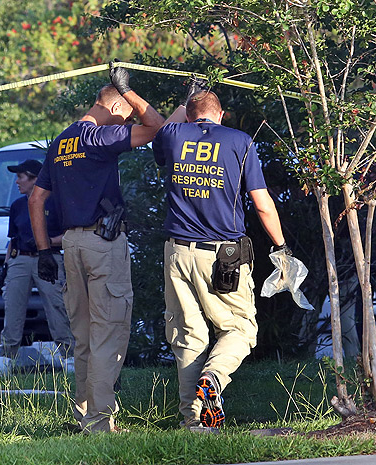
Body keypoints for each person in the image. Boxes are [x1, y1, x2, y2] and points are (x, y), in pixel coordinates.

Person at [28, 64, 164, 433]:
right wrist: (131, 93)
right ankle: (100, 423)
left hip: (70, 244)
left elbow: (36, 199)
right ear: (116, 109)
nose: (124, 126)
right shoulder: (98, 137)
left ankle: (84, 415)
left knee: (84, 337)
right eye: (123, 116)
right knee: (108, 333)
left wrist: (43, 250)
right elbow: (157, 128)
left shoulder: (61, 141)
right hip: (103, 245)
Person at [153, 89, 287, 431]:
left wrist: (181, 104)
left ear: (187, 115)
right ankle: (213, 377)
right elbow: (261, 203)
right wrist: (281, 246)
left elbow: (162, 129)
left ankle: (193, 421)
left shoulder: (173, 134)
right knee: (240, 327)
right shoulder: (239, 141)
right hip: (222, 256)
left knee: (188, 335)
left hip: (177, 252)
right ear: (221, 114)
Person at [0, 159, 75, 377]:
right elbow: (13, 239)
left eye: (21, 177)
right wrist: (6, 266)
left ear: (35, 179)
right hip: (20, 259)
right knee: (13, 309)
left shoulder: (55, 202)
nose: (17, 181)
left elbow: (69, 236)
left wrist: (45, 241)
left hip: (48, 257)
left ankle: (69, 356)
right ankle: (5, 359)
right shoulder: (18, 205)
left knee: (57, 307)